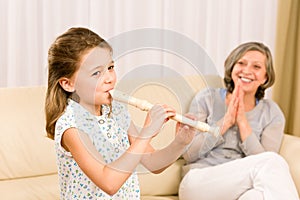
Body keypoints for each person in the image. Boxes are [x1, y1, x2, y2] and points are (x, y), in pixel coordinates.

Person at [45, 27, 195, 199]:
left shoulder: (116, 111)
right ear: (68, 84)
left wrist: (181, 142)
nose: (109, 78)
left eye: (110, 67)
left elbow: (153, 163)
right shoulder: (71, 126)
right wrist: (146, 133)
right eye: (96, 73)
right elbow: (109, 183)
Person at [178, 42, 298, 200]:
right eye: (241, 63)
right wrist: (225, 122)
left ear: (265, 77)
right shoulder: (207, 98)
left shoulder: (271, 112)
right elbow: (189, 154)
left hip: (242, 188)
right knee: (272, 161)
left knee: (258, 196)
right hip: (199, 182)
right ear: (232, 68)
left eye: (256, 67)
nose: (247, 70)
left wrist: (242, 122)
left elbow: (264, 162)